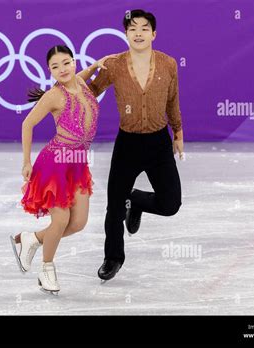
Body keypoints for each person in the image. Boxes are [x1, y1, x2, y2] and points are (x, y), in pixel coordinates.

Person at [87, 9, 185, 281]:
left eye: (144, 28)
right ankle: (113, 257)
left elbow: (172, 100)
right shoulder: (115, 65)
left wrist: (177, 132)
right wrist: (90, 69)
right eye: (133, 28)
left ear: (153, 34)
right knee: (113, 207)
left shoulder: (168, 64)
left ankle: (136, 201)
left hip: (158, 143)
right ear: (126, 34)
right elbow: (89, 92)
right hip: (128, 144)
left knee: (171, 204)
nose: (138, 33)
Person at [10, 45, 117, 294]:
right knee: (61, 219)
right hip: (54, 164)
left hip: (78, 163)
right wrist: (26, 162)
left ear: (74, 63)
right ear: (49, 72)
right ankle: (46, 270)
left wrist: (96, 64)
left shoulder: (81, 82)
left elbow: (85, 72)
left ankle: (32, 238)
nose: (62, 69)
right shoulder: (53, 96)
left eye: (66, 63)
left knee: (78, 222)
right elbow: (27, 124)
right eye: (55, 67)